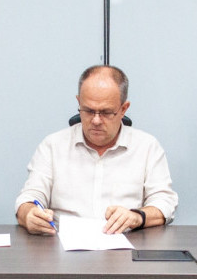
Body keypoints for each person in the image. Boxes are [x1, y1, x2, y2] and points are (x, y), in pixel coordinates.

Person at [15, 65, 178, 235]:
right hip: (62, 244)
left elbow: (165, 202)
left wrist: (137, 217)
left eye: (106, 112)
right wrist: (29, 214)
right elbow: (29, 198)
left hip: (125, 244)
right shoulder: (53, 146)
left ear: (123, 109)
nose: (96, 120)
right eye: (88, 110)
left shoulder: (147, 147)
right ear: (79, 102)